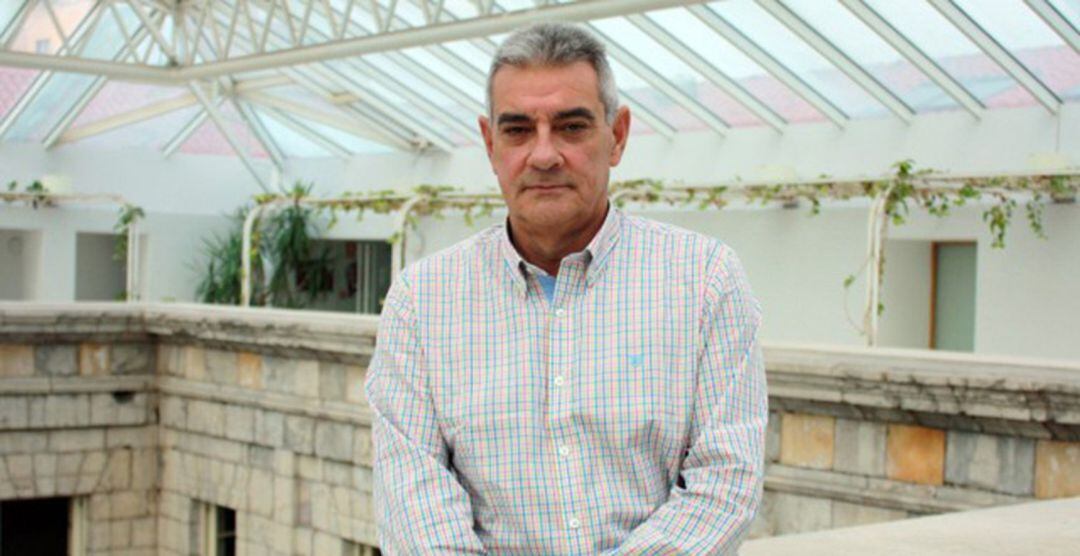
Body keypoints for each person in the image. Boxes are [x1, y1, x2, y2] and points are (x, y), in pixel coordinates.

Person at [364, 22, 767, 555]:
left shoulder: (704, 281)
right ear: (489, 142)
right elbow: (412, 496)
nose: (544, 154)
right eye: (518, 130)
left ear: (617, 135)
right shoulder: (422, 300)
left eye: (571, 127)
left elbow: (726, 482)